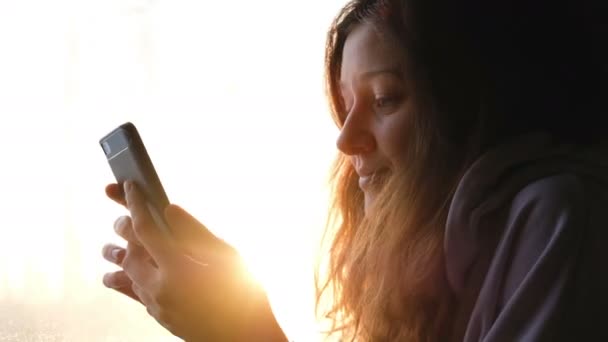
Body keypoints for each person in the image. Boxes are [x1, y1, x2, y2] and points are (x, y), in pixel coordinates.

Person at [101, 0, 608, 340]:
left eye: (385, 99)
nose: (346, 138)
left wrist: (244, 328)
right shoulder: (416, 269)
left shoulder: (558, 217)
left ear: (462, 106)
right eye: (346, 106)